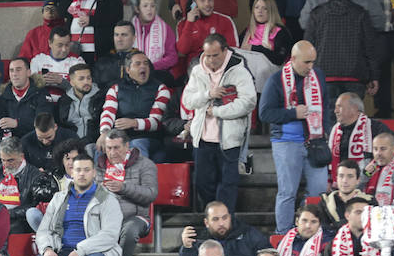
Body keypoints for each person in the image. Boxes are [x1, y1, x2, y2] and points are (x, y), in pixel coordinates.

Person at [260, 41, 333, 231]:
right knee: (287, 192)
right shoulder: (276, 80)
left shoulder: (318, 76)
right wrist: (293, 113)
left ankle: (306, 228)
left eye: (313, 62)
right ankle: (283, 235)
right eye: (306, 62)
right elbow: (265, 113)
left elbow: (325, 104)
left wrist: (324, 128)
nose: (311, 67)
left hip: (315, 141)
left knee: (318, 191)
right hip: (286, 142)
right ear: (293, 59)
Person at [183, 34, 258, 212]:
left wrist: (217, 112)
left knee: (228, 185)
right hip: (202, 139)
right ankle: (212, 220)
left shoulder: (239, 70)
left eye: (215, 55)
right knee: (203, 184)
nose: (210, 60)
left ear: (225, 51)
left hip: (229, 140)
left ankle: (225, 225)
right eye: (207, 55)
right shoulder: (197, 71)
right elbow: (188, 100)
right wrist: (208, 94)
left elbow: (248, 102)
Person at [305, 0, 381, 100]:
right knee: (353, 116)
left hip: (324, 75)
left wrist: (306, 75)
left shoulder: (317, 14)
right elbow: (370, 48)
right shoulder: (361, 14)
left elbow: (307, 47)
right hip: (356, 75)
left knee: (329, 116)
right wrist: (374, 77)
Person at [94, 129, 157, 256]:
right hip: (105, 219)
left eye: (116, 148)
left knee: (129, 230)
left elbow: (150, 194)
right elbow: (95, 198)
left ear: (127, 146)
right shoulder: (99, 166)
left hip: (135, 217)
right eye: (109, 148)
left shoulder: (145, 164)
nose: (112, 152)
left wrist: (124, 188)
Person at [98, 52, 171, 161]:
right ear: (128, 70)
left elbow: (156, 122)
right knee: (98, 148)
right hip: (120, 137)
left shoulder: (161, 89)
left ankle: (140, 178)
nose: (143, 66)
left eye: (146, 63)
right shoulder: (116, 88)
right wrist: (104, 133)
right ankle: (99, 178)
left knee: (137, 145)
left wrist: (134, 123)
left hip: (149, 137)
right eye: (137, 64)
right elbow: (108, 113)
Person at [175, 0, 239, 67]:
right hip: (196, 65)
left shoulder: (225, 20)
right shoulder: (183, 23)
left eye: (210, 0)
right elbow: (182, 52)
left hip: (221, 62)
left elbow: (232, 50)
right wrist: (189, 23)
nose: (207, 4)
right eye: (202, 0)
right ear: (194, 4)